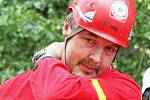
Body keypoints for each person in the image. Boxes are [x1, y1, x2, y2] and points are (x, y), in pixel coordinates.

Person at [0, 0, 141, 99]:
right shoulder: (12, 89)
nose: (97, 58)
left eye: (110, 49)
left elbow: (55, 94)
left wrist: (46, 56)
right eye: (90, 41)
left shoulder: (125, 90)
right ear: (67, 27)